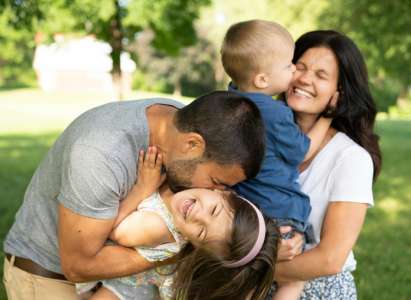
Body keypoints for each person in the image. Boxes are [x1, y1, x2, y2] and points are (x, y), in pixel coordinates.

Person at [2, 91, 266, 300]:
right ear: (192, 144)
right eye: (216, 182)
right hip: (48, 277)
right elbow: (78, 266)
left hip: (100, 282)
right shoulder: (100, 154)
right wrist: (176, 252)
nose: (214, 192)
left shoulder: (174, 122)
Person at [221, 19, 336, 299]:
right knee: (293, 283)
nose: (295, 70)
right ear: (262, 80)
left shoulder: (229, 99)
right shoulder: (275, 114)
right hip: (280, 209)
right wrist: (328, 118)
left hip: (244, 209)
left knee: (244, 283)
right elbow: (300, 152)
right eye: (289, 65)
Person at [78, 147, 279, 300]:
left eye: (201, 232)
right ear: (224, 192)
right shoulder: (190, 185)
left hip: (125, 287)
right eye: (214, 210)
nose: (198, 216)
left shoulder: (158, 227)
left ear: (196, 245)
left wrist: (143, 187)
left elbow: (116, 231)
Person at [272, 30, 382, 299]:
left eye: (321, 75)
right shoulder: (262, 137)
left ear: (339, 93)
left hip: (317, 289)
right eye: (300, 67)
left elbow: (330, 259)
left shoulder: (350, 158)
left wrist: (249, 267)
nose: (305, 79)